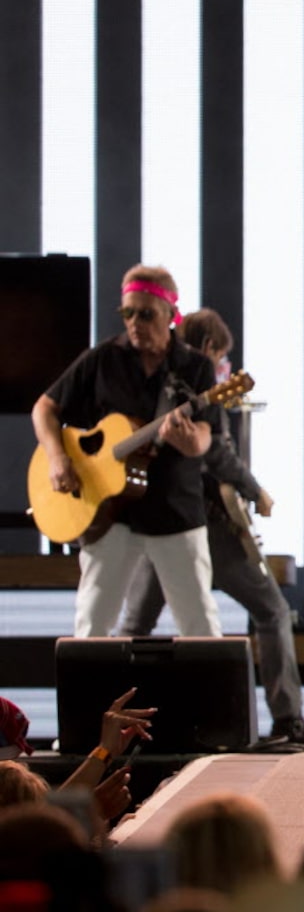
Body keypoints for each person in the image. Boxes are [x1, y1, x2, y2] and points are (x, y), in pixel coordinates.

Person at [119, 309, 304, 747]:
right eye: (222, 358)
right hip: (207, 528)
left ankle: (108, 719)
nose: (226, 369)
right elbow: (219, 460)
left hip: (164, 526)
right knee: (271, 610)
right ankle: (286, 719)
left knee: (132, 629)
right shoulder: (200, 391)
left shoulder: (160, 387)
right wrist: (256, 491)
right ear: (210, 350)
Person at [32, 264, 223, 639]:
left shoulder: (195, 369)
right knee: (92, 624)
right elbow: (44, 408)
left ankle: (210, 698)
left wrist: (189, 442)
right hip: (109, 513)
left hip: (175, 510)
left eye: (146, 314)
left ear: (171, 315)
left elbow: (206, 436)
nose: (135, 322)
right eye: (128, 313)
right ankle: (93, 699)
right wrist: (57, 457)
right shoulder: (102, 359)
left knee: (199, 625)